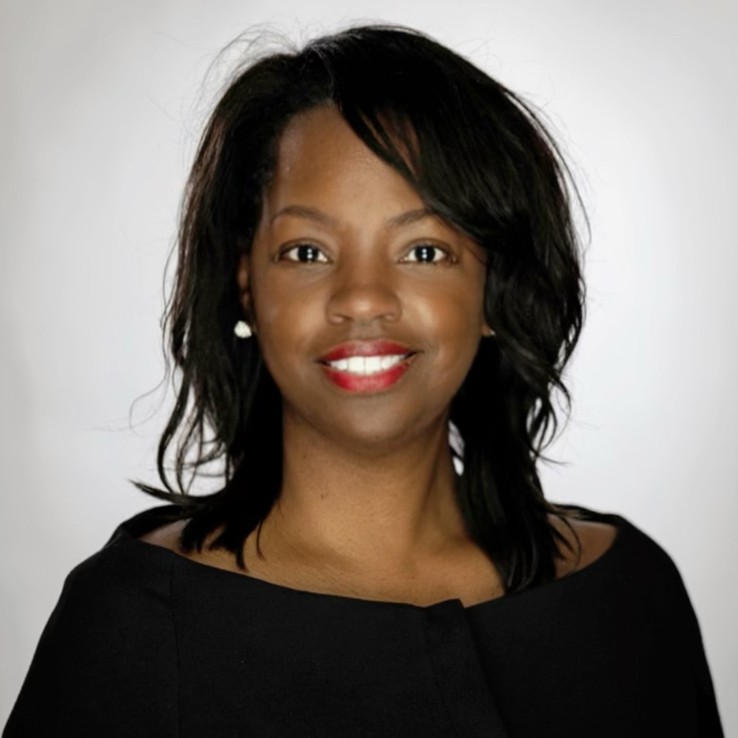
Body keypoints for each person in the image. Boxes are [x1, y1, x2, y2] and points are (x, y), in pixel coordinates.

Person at [3, 24, 723, 737]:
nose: (363, 297)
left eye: (424, 249)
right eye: (308, 249)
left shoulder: (629, 592)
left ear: (494, 292)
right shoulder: (130, 628)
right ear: (247, 285)